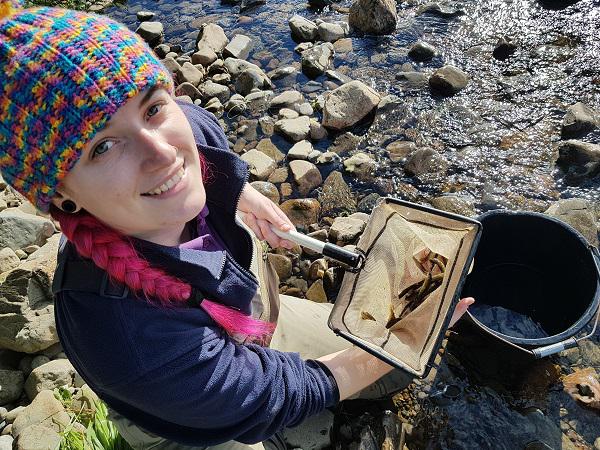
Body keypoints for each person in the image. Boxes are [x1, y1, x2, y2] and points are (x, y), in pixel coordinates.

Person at [0, 3, 474, 449]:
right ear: (59, 196)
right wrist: (402, 338)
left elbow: (197, 144)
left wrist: (239, 192)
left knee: (398, 375)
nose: (164, 153)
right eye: (102, 147)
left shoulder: (186, 127)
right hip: (186, 417)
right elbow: (273, 395)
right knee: (376, 364)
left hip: (258, 319)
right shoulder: (125, 335)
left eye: (152, 107)